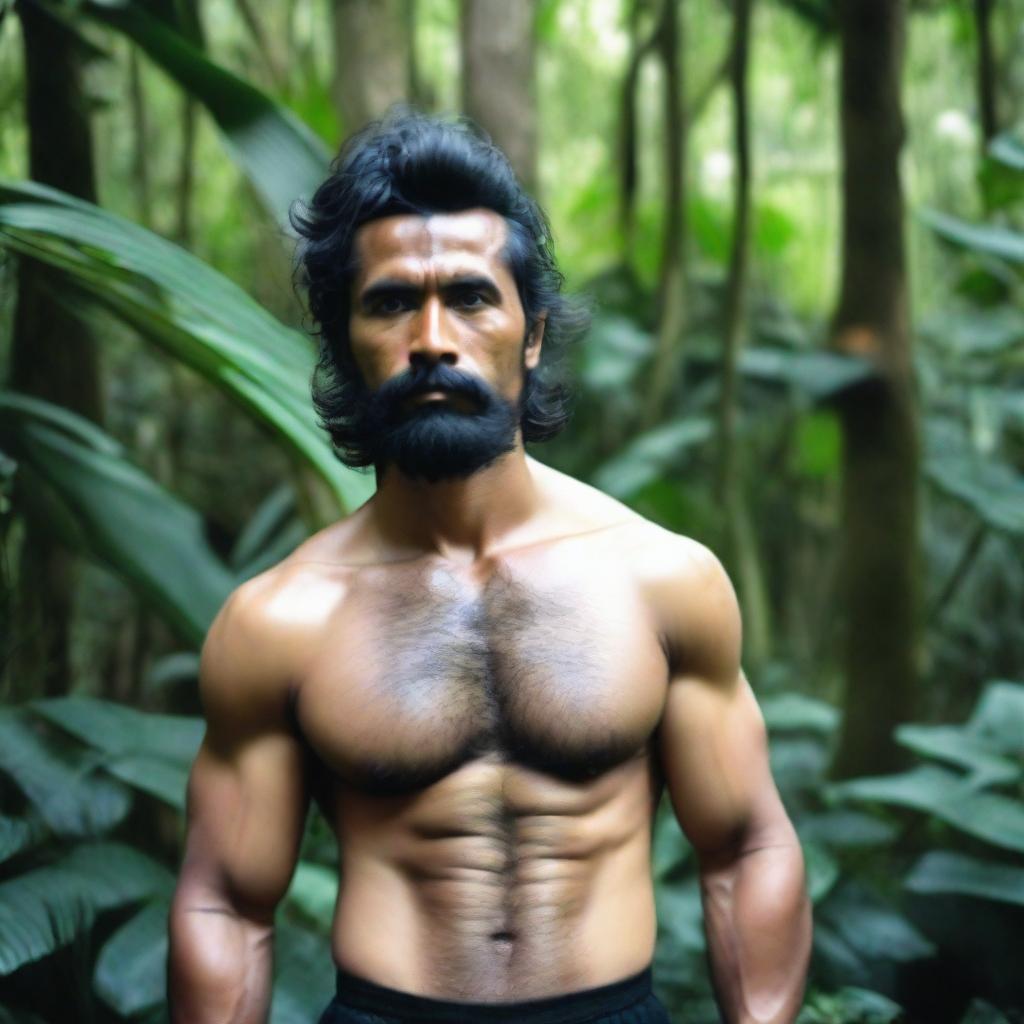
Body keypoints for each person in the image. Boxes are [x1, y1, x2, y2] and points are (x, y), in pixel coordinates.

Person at [168, 109, 812, 1024]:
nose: (433, 337)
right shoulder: (281, 622)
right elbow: (226, 904)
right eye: (391, 301)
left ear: (533, 334)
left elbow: (747, 847)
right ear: (348, 345)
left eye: (470, 297)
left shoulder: (663, 581)